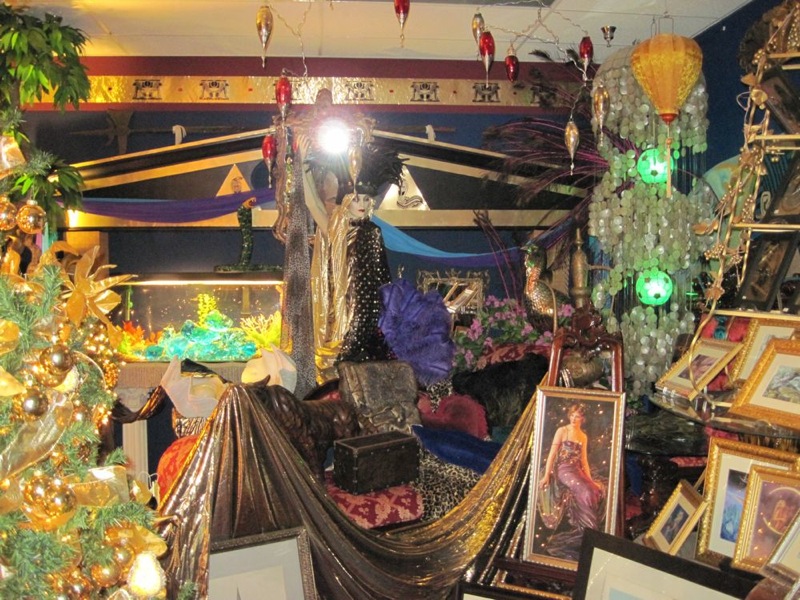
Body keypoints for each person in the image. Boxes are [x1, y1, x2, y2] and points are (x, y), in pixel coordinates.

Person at [538, 403, 604, 560]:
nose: (574, 419)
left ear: (583, 418)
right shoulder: (562, 431)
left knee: (593, 489)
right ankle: (589, 528)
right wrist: (546, 475)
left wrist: (590, 480)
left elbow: (584, 460)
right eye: (572, 415)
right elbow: (552, 453)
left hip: (577, 470)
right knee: (584, 490)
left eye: (578, 416)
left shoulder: (583, 436)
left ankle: (587, 531)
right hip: (564, 469)